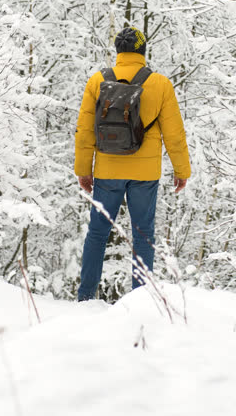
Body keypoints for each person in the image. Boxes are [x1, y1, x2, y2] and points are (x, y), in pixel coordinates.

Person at [74, 27, 191, 301]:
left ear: (118, 52)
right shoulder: (160, 84)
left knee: (98, 234)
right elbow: (175, 134)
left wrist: (83, 170)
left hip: (107, 170)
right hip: (145, 174)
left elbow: (85, 131)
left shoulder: (97, 81)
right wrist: (181, 171)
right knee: (142, 234)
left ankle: (85, 297)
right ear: (143, 51)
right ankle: (141, 300)